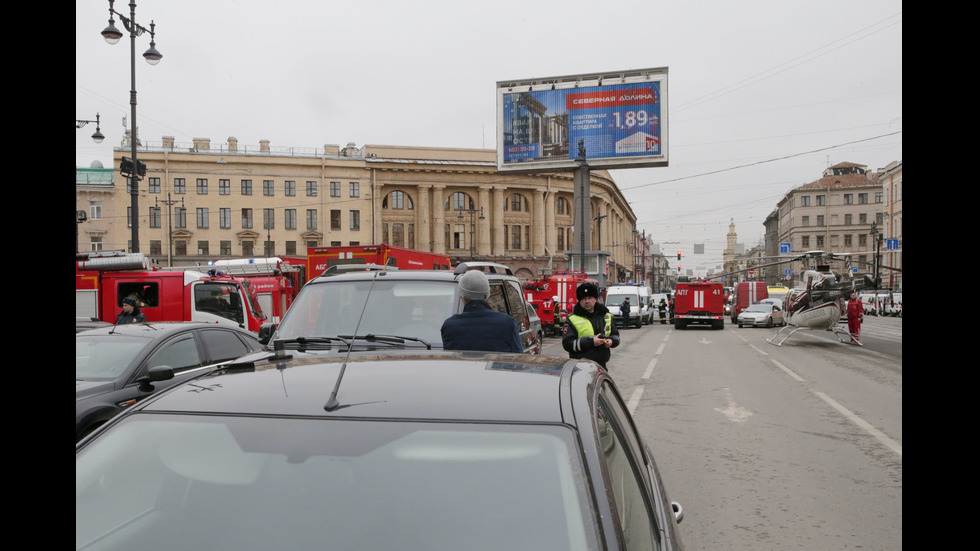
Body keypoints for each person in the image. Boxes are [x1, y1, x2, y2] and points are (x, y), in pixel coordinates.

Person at [441, 270, 523, 353]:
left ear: (461, 295)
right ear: (488, 294)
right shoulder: (507, 323)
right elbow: (518, 357)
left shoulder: (450, 326)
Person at [561, 282, 620, 369]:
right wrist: (591, 342)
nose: (587, 301)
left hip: (601, 365)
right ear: (579, 300)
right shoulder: (572, 318)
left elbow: (616, 336)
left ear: (595, 299)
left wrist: (611, 341)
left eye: (590, 298)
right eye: (584, 298)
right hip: (580, 366)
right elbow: (567, 344)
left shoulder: (606, 316)